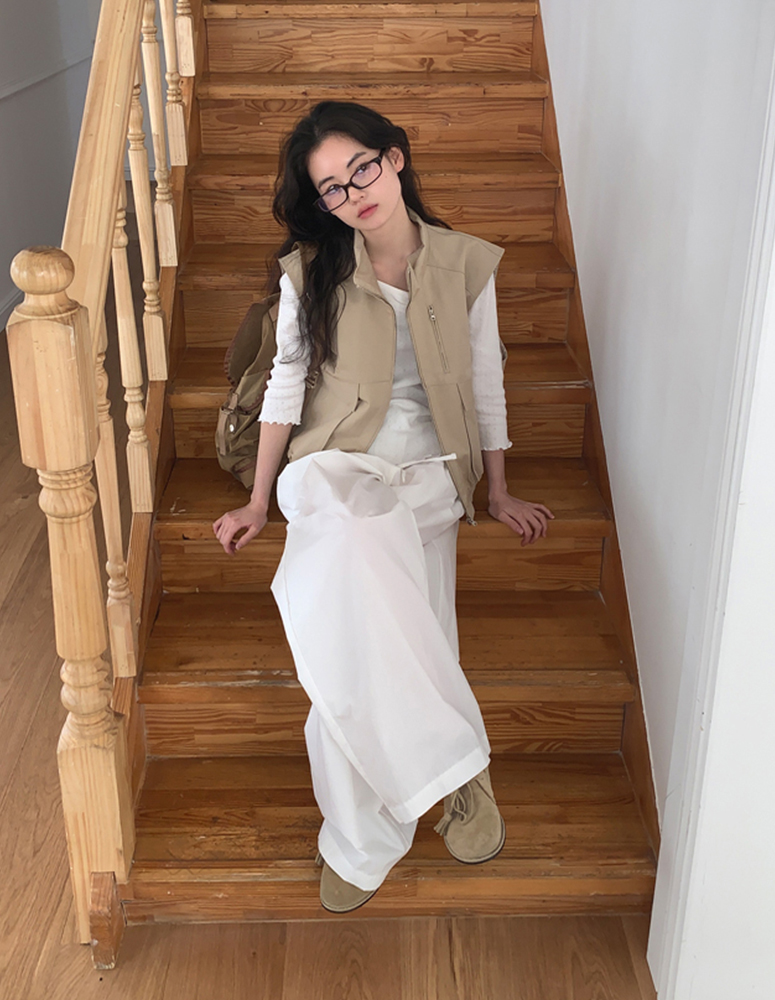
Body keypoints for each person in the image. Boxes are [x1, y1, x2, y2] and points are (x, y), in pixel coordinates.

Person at [212, 101, 554, 913]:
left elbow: (485, 383)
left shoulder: (466, 265)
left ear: (394, 158)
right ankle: (456, 774)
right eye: (330, 188)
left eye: (360, 169)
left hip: (428, 470)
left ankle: (359, 841)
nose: (352, 194)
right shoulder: (312, 272)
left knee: (354, 632)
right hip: (330, 465)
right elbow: (286, 387)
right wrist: (258, 500)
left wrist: (497, 488)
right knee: (355, 541)